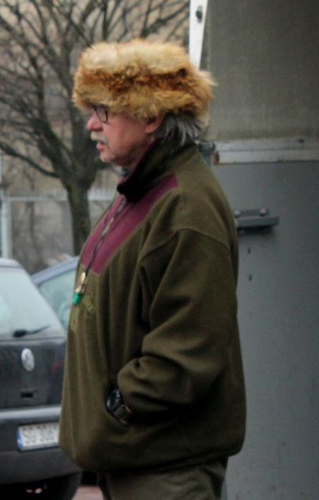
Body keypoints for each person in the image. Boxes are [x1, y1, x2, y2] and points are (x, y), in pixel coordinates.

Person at [58, 40, 246, 499]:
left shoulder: (185, 206)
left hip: (165, 472)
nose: (91, 124)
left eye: (103, 109)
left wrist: (118, 407)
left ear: (151, 116)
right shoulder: (142, 193)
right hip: (138, 461)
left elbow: (187, 353)